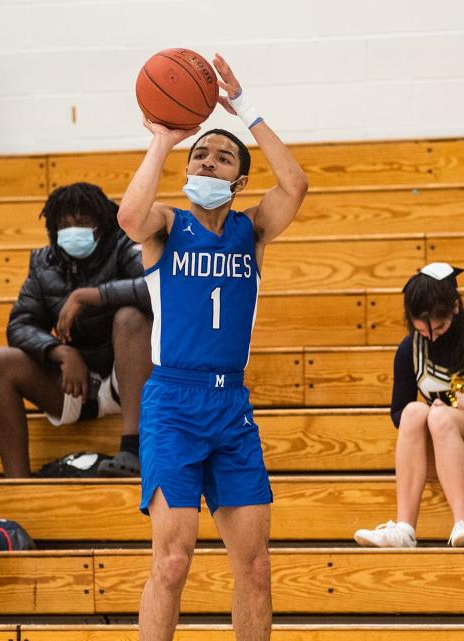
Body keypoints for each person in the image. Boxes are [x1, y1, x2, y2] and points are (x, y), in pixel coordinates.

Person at [117, 54, 308, 641]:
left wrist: (243, 109)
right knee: (172, 562)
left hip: (231, 409)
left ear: (239, 180)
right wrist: (163, 141)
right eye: (200, 153)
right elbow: (127, 215)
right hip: (173, 403)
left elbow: (296, 183)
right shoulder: (166, 227)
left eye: (222, 157)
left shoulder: (252, 231)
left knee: (255, 567)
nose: (207, 160)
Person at [0, 182, 153, 478]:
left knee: (130, 317)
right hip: (77, 384)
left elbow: (156, 288)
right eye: (65, 225)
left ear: (101, 224)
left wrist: (90, 295)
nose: (74, 231)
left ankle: (132, 449)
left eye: (84, 223)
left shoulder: (125, 245)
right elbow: (20, 324)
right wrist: (59, 352)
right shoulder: (43, 262)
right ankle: (18, 482)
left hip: (129, 380)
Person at [354, 263, 464, 549]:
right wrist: (435, 409)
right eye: (422, 330)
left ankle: (463, 524)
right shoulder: (409, 349)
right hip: (437, 450)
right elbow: (397, 414)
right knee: (415, 411)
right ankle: (404, 529)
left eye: (439, 327)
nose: (432, 336)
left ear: (455, 307)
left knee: (440, 417)